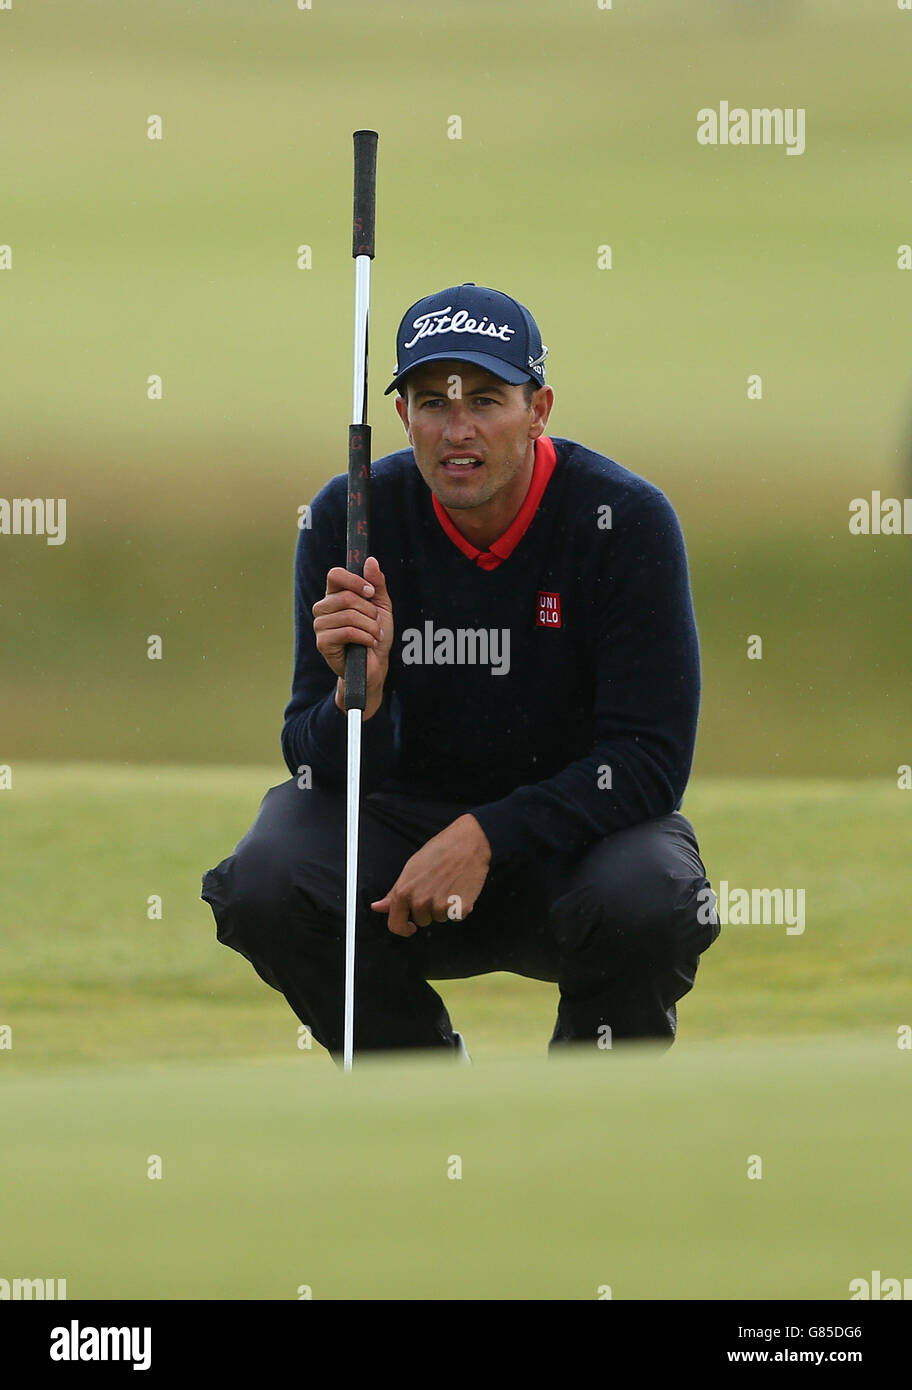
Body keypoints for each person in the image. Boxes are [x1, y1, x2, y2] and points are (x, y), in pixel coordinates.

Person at [200, 283, 720, 1062]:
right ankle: (418, 1089)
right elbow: (308, 757)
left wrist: (485, 834)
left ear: (539, 408)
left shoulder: (622, 520)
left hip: (572, 852)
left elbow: (649, 764)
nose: (458, 430)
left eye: (486, 400)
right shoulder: (352, 516)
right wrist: (362, 700)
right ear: (404, 413)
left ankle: (595, 1108)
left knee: (652, 894)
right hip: (398, 858)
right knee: (269, 879)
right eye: (432, 402)